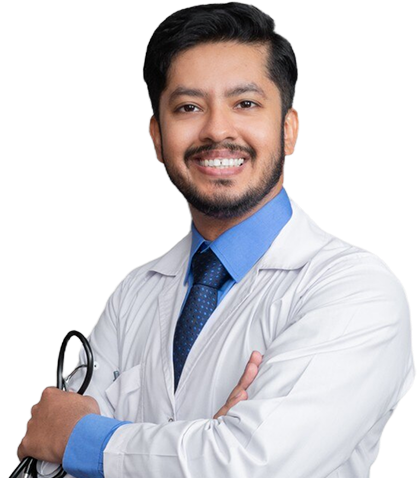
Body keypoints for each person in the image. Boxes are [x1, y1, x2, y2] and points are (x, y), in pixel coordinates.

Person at [17, 2, 415, 477]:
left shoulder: (355, 290)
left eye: (245, 104)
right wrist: (205, 443)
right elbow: (46, 464)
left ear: (289, 129)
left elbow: (250, 465)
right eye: (188, 107)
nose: (217, 130)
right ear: (157, 137)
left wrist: (84, 441)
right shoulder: (134, 293)